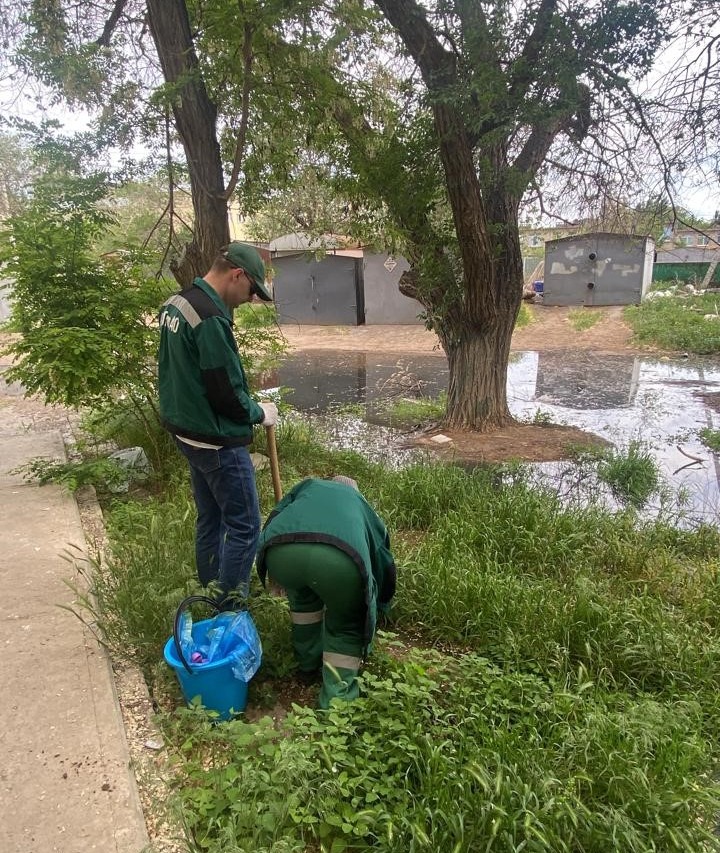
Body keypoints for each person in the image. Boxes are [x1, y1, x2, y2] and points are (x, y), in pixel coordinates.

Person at [158, 241, 278, 604]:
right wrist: (259, 412)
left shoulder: (177, 303)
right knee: (245, 525)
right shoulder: (209, 317)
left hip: (187, 433)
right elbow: (225, 393)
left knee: (210, 517)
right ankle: (229, 606)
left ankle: (210, 591)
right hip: (216, 440)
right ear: (236, 275)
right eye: (252, 289)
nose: (251, 298)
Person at [255, 475, 397, 708]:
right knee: (346, 625)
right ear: (356, 492)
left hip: (282, 551)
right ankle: (336, 703)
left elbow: (276, 514)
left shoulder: (309, 485)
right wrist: (381, 605)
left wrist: (267, 565)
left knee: (304, 606)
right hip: (339, 559)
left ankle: (307, 666)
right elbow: (385, 563)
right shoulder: (361, 505)